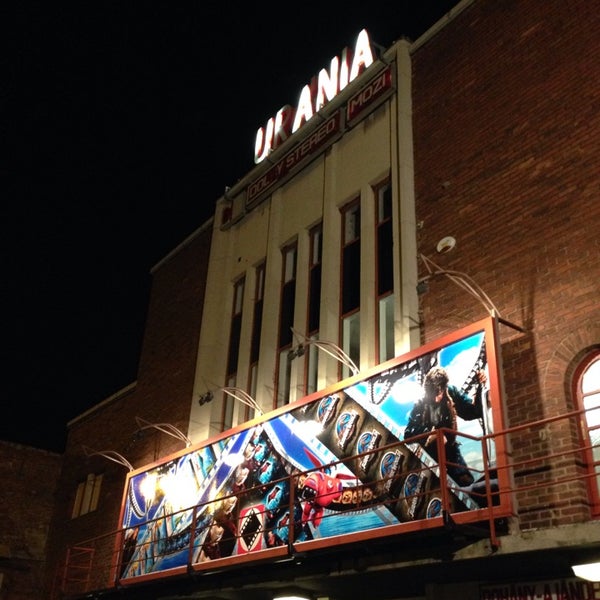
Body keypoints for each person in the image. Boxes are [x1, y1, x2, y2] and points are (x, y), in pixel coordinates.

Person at [403, 366, 486, 486]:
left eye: (440, 392)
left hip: (451, 452)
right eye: (433, 395)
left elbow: (472, 412)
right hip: (430, 455)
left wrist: (479, 387)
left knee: (466, 485)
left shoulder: (451, 393)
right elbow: (408, 433)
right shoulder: (420, 404)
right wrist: (430, 434)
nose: (437, 399)